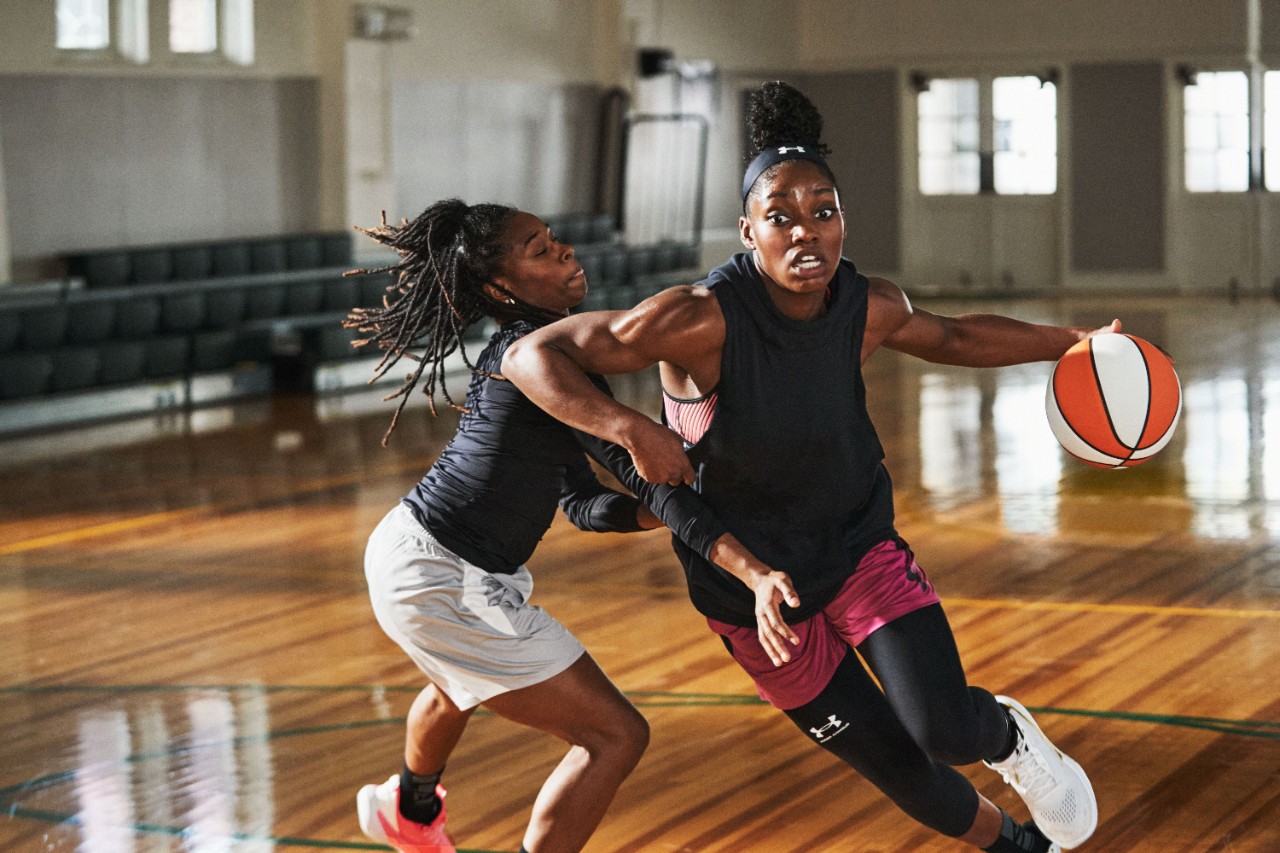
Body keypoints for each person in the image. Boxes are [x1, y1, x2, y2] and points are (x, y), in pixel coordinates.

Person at [503, 82, 1109, 852]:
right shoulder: (697, 319)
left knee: (944, 729)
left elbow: (954, 337)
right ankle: (1020, 848)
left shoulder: (866, 305)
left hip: (856, 547)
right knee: (907, 775)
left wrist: (1073, 342)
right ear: (747, 231)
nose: (806, 231)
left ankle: (1010, 735)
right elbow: (531, 355)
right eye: (781, 216)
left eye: (824, 211)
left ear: (843, 221)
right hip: (751, 593)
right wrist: (627, 427)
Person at [344, 199, 774, 853]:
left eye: (555, 239)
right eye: (540, 251)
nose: (565, 250)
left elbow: (582, 502)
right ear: (500, 289)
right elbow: (635, 466)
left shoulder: (545, 355)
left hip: (419, 556)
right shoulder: (531, 358)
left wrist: (661, 513)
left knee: (458, 680)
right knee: (615, 735)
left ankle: (409, 806)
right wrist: (743, 561)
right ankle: (411, 809)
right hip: (442, 572)